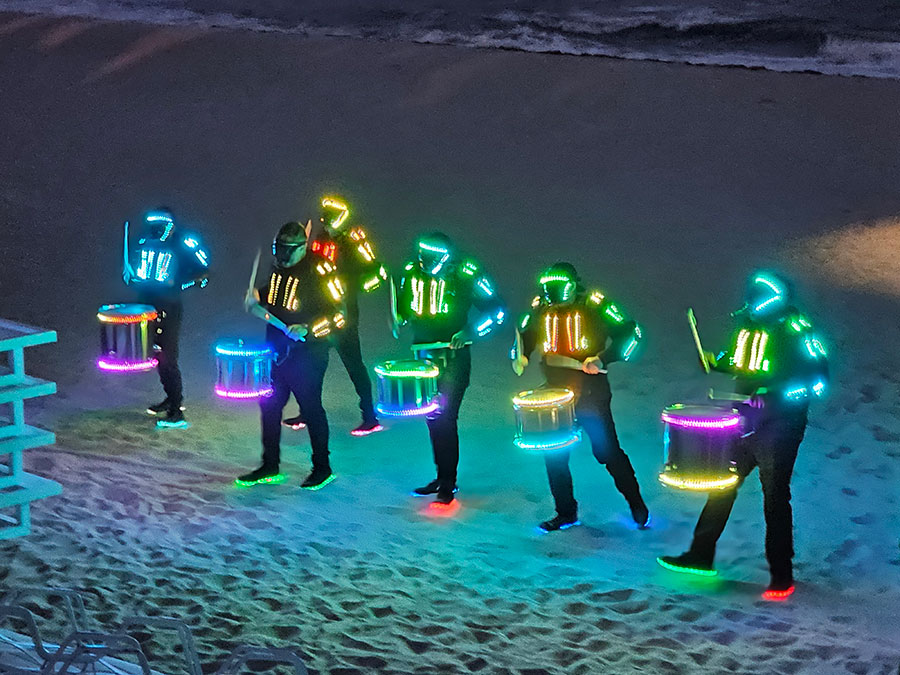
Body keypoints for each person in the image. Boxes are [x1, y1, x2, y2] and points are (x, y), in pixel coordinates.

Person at [657, 270, 829, 600]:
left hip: (781, 427)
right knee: (722, 484)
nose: (750, 307)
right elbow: (737, 361)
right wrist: (716, 363)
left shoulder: (797, 330)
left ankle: (782, 575)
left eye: (757, 301)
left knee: (775, 497)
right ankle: (700, 556)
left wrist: (774, 393)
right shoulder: (746, 325)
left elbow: (817, 381)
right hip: (743, 421)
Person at [511, 262, 650, 532]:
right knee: (554, 452)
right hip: (554, 391)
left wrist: (603, 358)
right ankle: (565, 512)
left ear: (574, 286)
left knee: (606, 451)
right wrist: (522, 355)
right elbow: (526, 336)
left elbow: (631, 332)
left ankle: (637, 504)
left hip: (590, 391)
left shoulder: (596, 305)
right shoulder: (541, 308)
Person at [392, 232, 505, 504]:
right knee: (432, 417)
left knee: (445, 417)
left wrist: (471, 332)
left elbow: (497, 310)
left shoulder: (466, 274)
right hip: (423, 357)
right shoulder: (410, 272)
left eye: (431, 256)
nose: (425, 261)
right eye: (422, 255)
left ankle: (449, 482)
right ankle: (441, 476)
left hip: (453, 359)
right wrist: (401, 319)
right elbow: (406, 307)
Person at [237, 220, 347, 489]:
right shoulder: (277, 269)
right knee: (270, 405)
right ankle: (270, 464)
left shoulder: (321, 271)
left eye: (289, 250)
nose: (283, 255)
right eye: (279, 249)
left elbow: (340, 316)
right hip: (276, 351)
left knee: (311, 408)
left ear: (302, 247)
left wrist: (309, 328)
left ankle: (323, 467)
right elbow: (273, 296)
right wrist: (255, 295)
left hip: (309, 353)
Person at [283, 196, 388, 435]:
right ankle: (307, 412)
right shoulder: (320, 238)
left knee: (353, 364)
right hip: (319, 309)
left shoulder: (354, 239)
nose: (326, 224)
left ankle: (369, 416)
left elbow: (376, 271)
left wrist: (354, 287)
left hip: (344, 311)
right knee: (310, 364)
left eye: (330, 220)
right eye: (324, 220)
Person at [123, 207, 210, 429]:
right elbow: (138, 267)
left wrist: (184, 282)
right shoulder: (145, 241)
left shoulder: (184, 244)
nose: (156, 231)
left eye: (160, 227)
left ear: (170, 227)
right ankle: (170, 398)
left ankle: (176, 409)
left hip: (168, 307)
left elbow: (204, 272)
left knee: (168, 356)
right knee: (155, 355)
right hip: (146, 304)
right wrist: (131, 275)